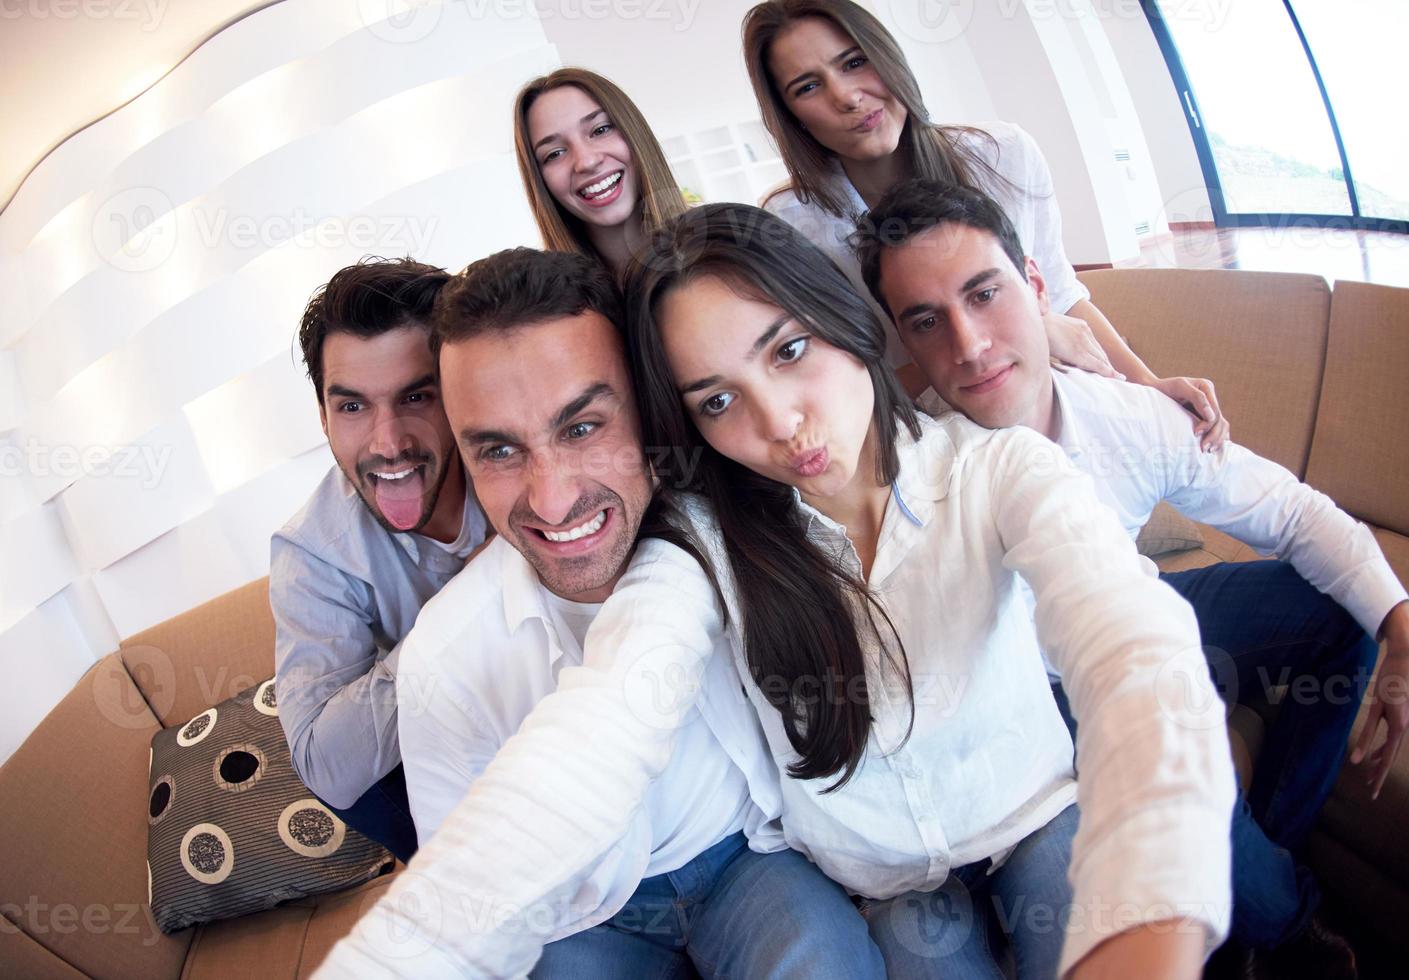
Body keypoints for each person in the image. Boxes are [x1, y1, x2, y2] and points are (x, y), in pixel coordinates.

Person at [624, 201, 1237, 979]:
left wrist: (1155, 902)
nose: (778, 421)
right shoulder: (705, 544)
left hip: (1029, 812)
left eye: (788, 349)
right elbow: (609, 697)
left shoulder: (998, 469)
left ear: (846, 319)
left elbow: (1131, 642)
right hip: (881, 877)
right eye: (716, 400)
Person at [854, 177, 1409, 979]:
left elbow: (1291, 512)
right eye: (926, 321)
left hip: (1142, 607)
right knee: (1173, 774)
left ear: (1036, 288)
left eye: (985, 294)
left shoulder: (1125, 413)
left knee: (1339, 604)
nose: (969, 344)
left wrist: (1396, 623)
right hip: (1034, 685)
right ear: (904, 342)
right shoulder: (909, 475)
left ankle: (1265, 846)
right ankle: (1287, 923)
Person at [393, 247, 884, 978]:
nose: (552, 499)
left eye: (583, 427)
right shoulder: (443, 658)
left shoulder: (744, 524)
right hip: (577, 919)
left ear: (650, 412)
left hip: (748, 863)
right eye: (497, 450)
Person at [741, 0, 1229, 450]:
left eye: (854, 62)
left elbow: (1060, 292)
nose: (846, 96)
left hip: (1045, 405)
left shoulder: (1004, 156)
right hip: (927, 437)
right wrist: (1033, 333)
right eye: (807, 87)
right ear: (792, 117)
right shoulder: (792, 227)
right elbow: (840, 386)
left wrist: (1149, 387)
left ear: (889, 59)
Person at [270, 258, 487, 863]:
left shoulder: (521, 460)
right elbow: (329, 768)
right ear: (323, 418)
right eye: (353, 407)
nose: (387, 443)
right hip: (473, 810)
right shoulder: (312, 553)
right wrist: (474, 598)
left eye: (416, 396)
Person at [513, 68, 687, 280]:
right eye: (555, 153)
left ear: (634, 131)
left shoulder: (721, 252)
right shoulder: (553, 300)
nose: (586, 162)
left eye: (600, 130)